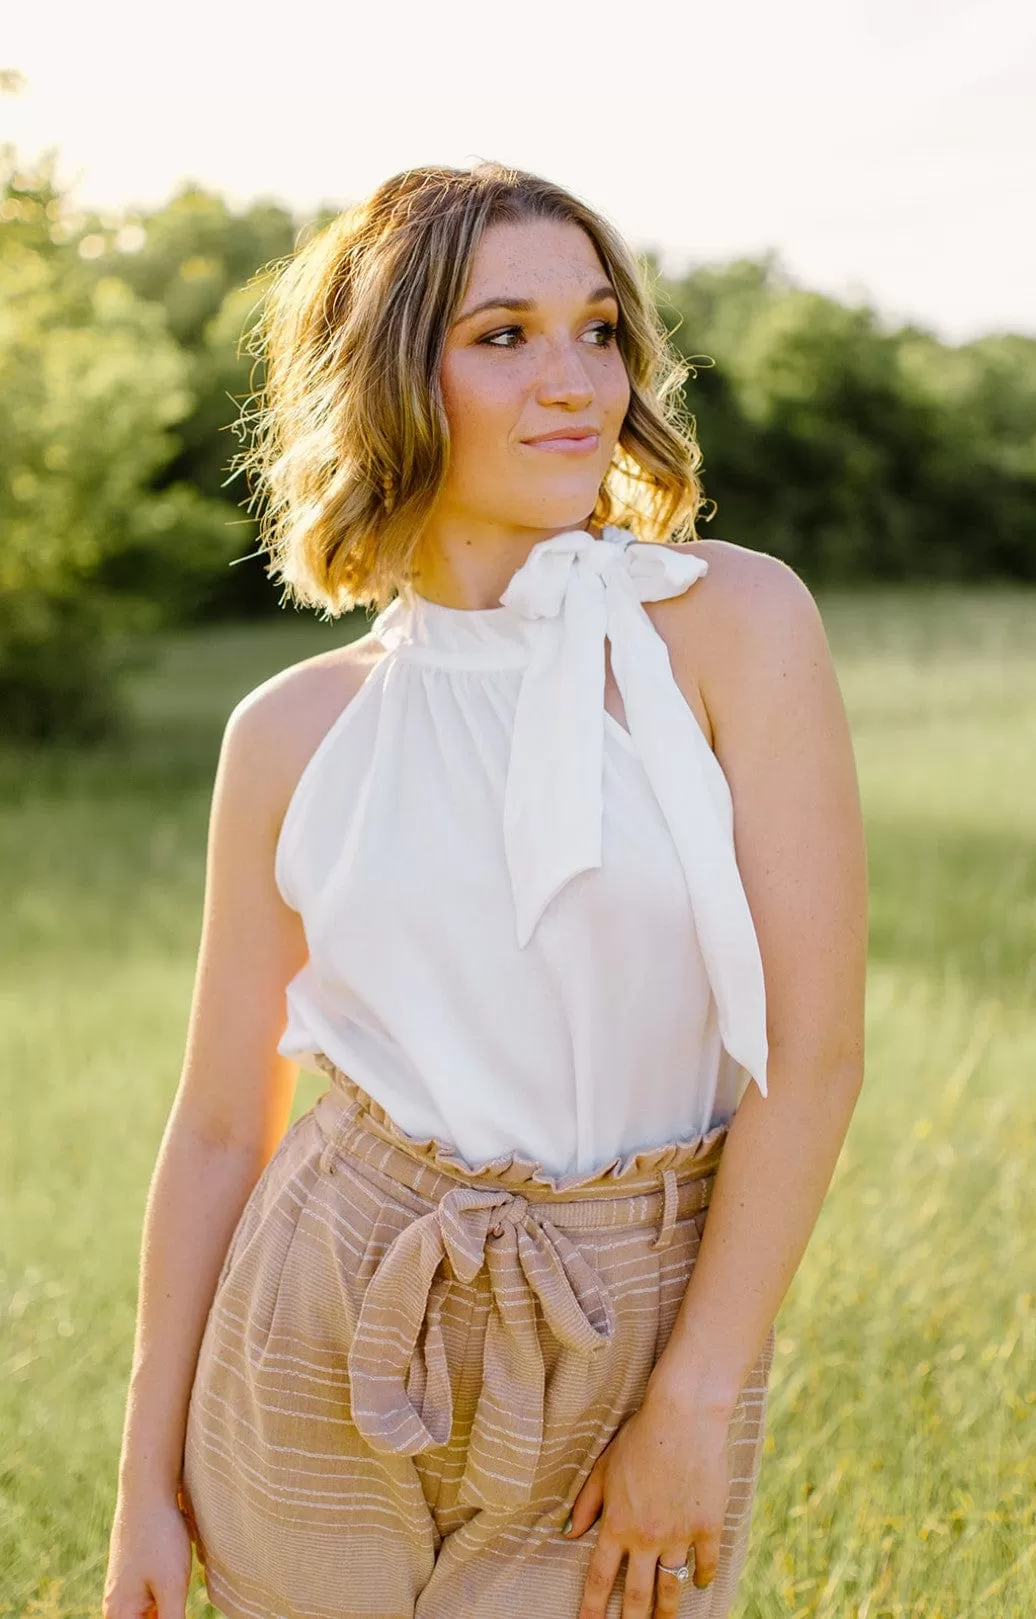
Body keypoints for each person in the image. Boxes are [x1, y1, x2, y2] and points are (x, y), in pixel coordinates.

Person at [102, 160, 867, 1619]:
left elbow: (818, 1051)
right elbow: (215, 1126)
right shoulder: (289, 731)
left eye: (597, 328)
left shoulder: (734, 623)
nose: (576, 379)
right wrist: (143, 1472)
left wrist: (697, 1393)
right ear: (396, 379)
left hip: (631, 1322)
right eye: (503, 334)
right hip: (324, 1313)